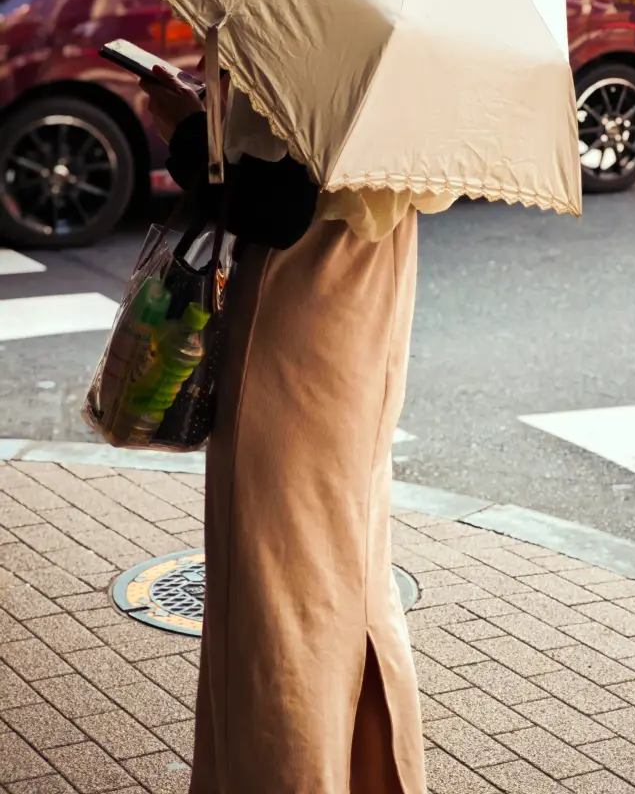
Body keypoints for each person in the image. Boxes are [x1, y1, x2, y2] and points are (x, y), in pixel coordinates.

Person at [140, 64, 430, 794]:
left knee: (276, 608)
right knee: (347, 579)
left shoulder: (310, 32)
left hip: (295, 327)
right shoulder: (398, 42)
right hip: (366, 312)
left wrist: (187, 130)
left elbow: (275, 203)